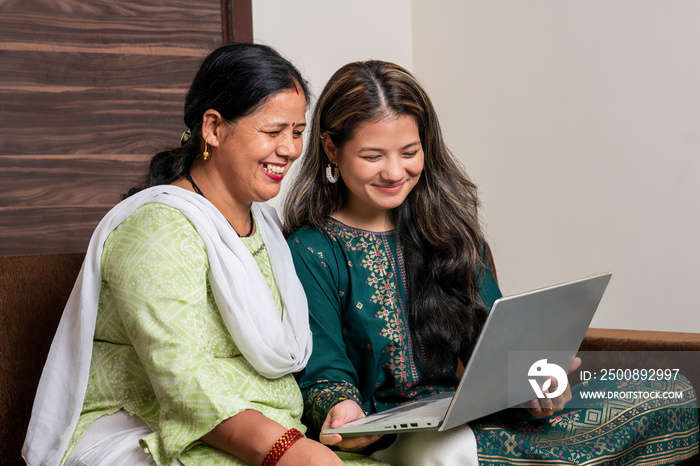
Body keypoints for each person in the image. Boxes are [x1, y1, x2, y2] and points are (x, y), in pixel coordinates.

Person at [284, 60, 699, 465]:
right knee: (444, 452)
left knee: (675, 389)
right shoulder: (311, 249)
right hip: (397, 439)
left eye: (409, 152)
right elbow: (325, 372)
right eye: (373, 156)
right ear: (331, 149)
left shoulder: (447, 230)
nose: (395, 172)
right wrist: (341, 409)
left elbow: (494, 343)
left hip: (473, 418)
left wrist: (535, 379)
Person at [22, 44, 386, 466]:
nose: (289, 149)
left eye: (298, 131)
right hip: (145, 434)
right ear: (212, 128)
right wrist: (295, 452)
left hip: (261, 437)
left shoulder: (266, 228)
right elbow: (185, 382)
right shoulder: (156, 230)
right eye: (272, 132)